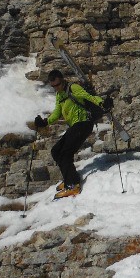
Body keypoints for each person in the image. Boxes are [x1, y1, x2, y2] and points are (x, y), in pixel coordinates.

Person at [32, 69, 105, 199]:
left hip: (83, 123)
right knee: (56, 151)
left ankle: (73, 185)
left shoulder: (73, 88)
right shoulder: (60, 95)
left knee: (65, 153)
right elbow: (57, 112)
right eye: (53, 86)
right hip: (75, 126)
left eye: (57, 84)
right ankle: (69, 178)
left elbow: (89, 97)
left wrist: (102, 102)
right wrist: (45, 122)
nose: (56, 88)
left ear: (62, 80)